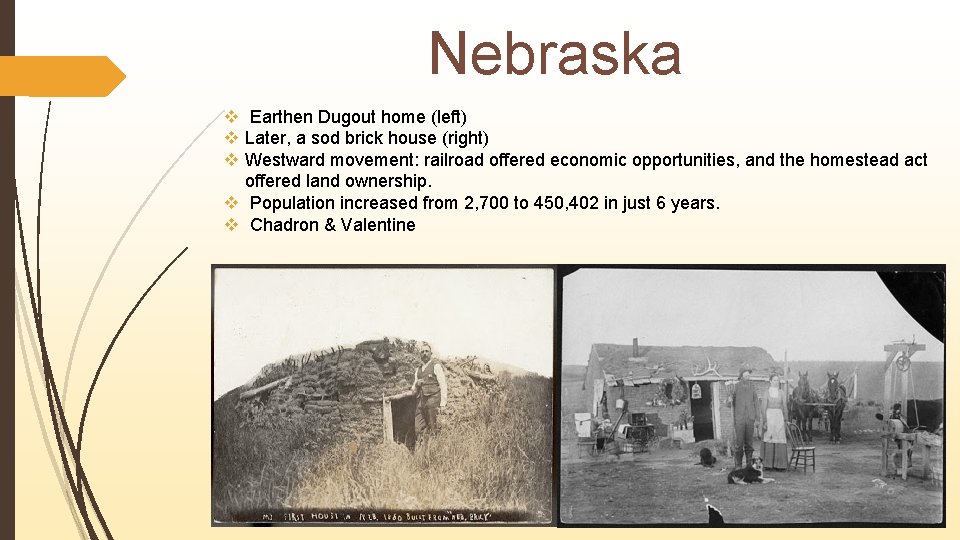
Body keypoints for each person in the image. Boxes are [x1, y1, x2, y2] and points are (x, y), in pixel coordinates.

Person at [411, 345, 447, 443]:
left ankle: (433, 450)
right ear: (420, 355)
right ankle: (422, 449)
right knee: (418, 428)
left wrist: (443, 404)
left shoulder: (436, 365)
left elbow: (443, 384)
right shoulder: (418, 370)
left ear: (431, 353)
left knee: (432, 427)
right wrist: (417, 384)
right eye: (422, 352)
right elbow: (413, 390)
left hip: (432, 400)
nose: (425, 353)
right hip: (420, 402)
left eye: (427, 351)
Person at [760, 373, 789, 470]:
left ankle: (780, 465)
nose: (776, 382)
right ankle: (768, 464)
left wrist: (786, 419)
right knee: (769, 438)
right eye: (774, 380)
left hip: (779, 417)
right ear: (770, 381)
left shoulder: (782, 393)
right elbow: (763, 407)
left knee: (779, 438)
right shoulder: (766, 392)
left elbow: (784, 406)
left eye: (778, 380)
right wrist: (764, 420)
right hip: (769, 417)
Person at [731, 366, 759, 469]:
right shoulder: (736, 387)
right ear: (741, 375)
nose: (748, 375)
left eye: (749, 373)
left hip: (750, 419)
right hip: (739, 419)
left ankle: (748, 465)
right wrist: (729, 400)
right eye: (746, 373)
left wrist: (757, 418)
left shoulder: (752, 386)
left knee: (749, 444)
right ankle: (738, 465)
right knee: (739, 443)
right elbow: (730, 403)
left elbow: (756, 403)